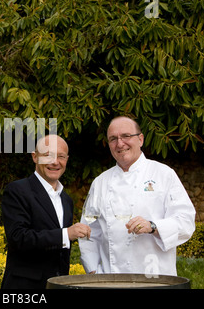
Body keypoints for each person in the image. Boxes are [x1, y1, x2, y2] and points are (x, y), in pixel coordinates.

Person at [79, 116, 196, 276]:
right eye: (113, 139)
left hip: (156, 278)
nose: (120, 144)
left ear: (140, 139)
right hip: (111, 280)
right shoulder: (100, 183)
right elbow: (89, 230)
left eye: (126, 136)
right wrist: (92, 270)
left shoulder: (164, 174)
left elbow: (186, 221)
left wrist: (153, 226)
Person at [1, 135, 90, 289]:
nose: (55, 162)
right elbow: (18, 238)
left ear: (66, 160)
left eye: (61, 156)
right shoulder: (17, 190)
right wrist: (66, 234)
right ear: (35, 157)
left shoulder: (66, 200)